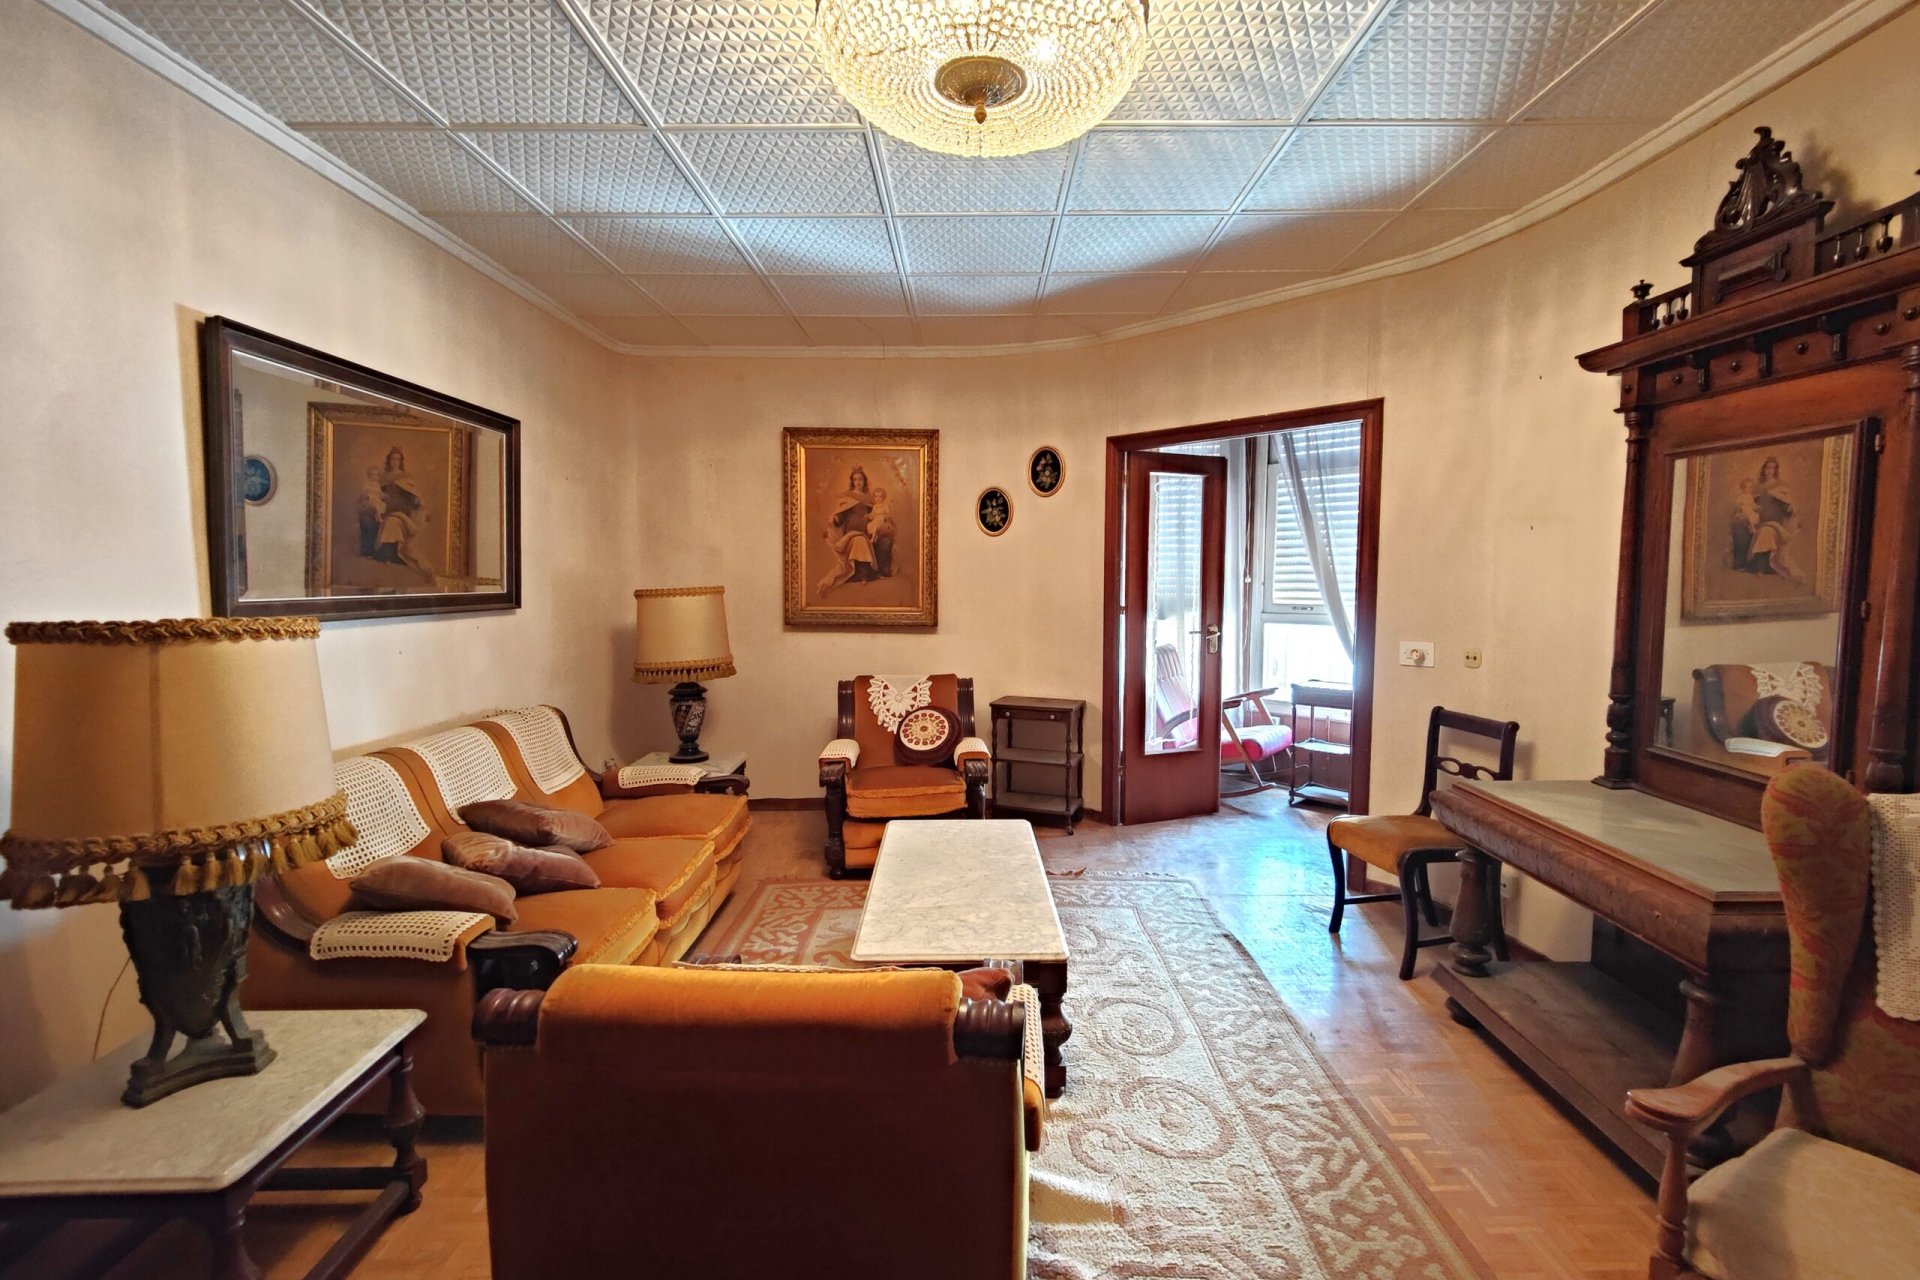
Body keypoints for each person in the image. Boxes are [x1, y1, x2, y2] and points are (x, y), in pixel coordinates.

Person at [816, 466, 878, 595]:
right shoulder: (848, 497)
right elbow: (841, 515)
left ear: (864, 481)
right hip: (851, 533)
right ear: (852, 482)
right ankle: (862, 575)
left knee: (865, 540)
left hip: (865, 531)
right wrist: (835, 519)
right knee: (859, 541)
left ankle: (865, 574)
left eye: (860, 479)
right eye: (855, 479)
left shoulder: (869, 498)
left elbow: (874, 515)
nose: (858, 482)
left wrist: (875, 525)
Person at [1746, 456, 1799, 580]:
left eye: (1773, 468)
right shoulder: (1759, 487)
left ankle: (1762, 567)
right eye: (1768, 468)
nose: (1770, 471)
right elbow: (1752, 505)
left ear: (1776, 470)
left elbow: (1786, 505)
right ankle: (1760, 566)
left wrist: (1790, 508)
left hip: (1775, 522)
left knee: (1767, 532)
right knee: (1759, 529)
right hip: (1761, 521)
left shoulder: (1780, 485)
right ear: (1763, 469)